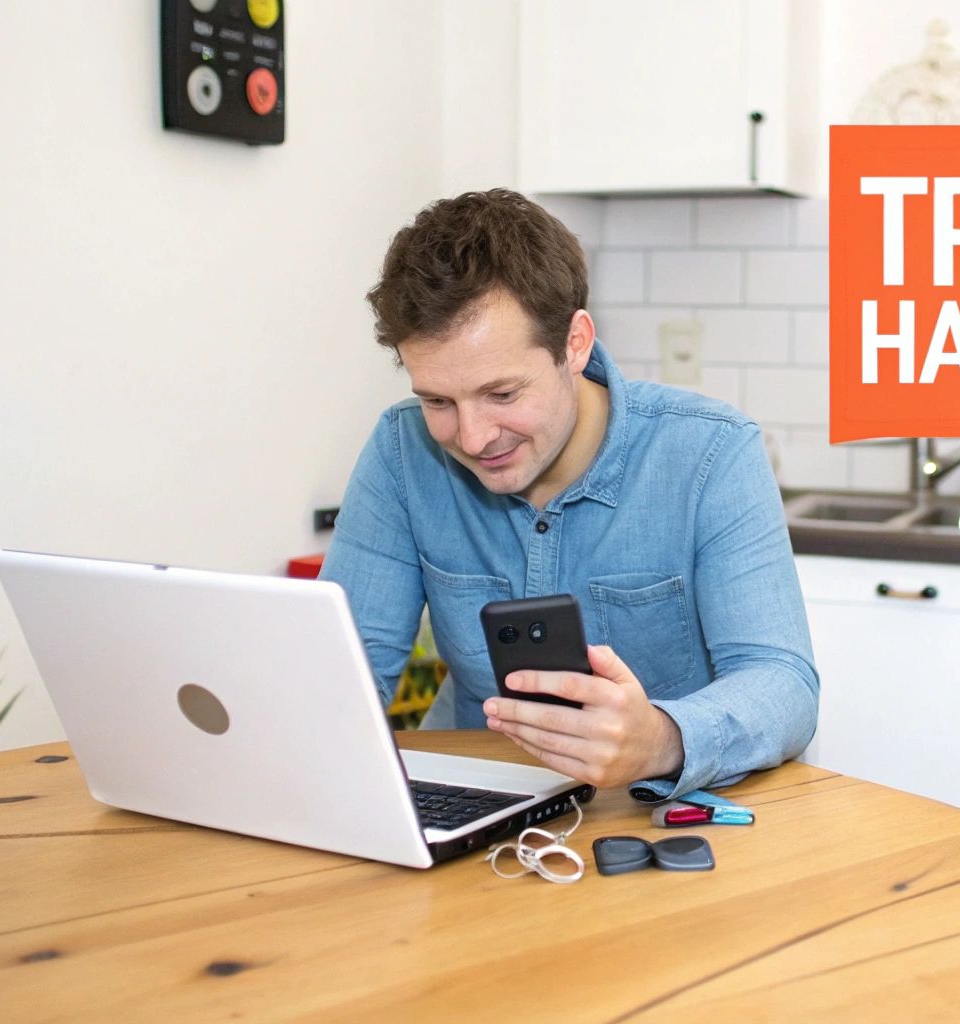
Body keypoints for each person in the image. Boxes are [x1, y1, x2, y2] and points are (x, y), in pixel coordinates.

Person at [320, 189, 818, 801]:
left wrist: (662, 739)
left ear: (574, 344)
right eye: (438, 401)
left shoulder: (710, 455)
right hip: (468, 802)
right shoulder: (402, 452)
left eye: (502, 394)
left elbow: (784, 683)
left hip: (651, 817)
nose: (473, 438)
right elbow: (341, 675)